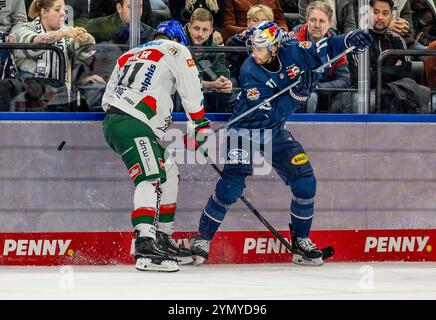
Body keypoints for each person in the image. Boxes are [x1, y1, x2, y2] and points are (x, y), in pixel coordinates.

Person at [190, 21, 372, 266]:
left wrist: (349, 40)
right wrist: (297, 96)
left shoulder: (294, 52)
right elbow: (272, 113)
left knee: (305, 182)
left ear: (275, 47)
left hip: (274, 132)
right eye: (253, 47)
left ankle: (301, 242)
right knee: (231, 186)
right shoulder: (250, 70)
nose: (255, 52)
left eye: (261, 48)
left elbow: (324, 48)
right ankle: (202, 239)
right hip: (244, 129)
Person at [101, 20, 211, 272]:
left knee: (169, 174)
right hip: (134, 123)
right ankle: (145, 243)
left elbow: (107, 98)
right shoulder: (176, 50)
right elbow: (190, 88)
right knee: (150, 177)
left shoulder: (127, 55)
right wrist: (199, 125)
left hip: (119, 120)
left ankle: (162, 237)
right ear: (179, 38)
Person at [8, 0, 95, 110]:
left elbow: (85, 54)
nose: (63, 13)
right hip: (28, 101)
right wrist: (62, 33)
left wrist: (86, 40)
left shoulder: (68, 34)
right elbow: (37, 42)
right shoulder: (23, 28)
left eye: (64, 9)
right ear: (44, 12)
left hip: (60, 101)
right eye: (58, 9)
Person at [293, 1, 352, 112]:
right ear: (306, 20)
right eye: (313, 20)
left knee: (348, 99)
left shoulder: (337, 45)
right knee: (311, 97)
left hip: (327, 93)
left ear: (329, 23)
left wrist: (319, 87)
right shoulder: (293, 41)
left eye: (322, 21)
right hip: (297, 94)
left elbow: (344, 80)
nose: (317, 25)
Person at [185, 8, 232, 112]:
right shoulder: (176, 44)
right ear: (189, 27)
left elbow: (221, 73)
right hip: (181, 97)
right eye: (196, 28)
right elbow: (181, 82)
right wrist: (212, 84)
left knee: (228, 90)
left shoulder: (216, 50)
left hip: (206, 97)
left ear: (211, 31)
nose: (200, 34)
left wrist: (225, 83)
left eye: (205, 30)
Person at [84, 0, 154, 45]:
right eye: (131, 7)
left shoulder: (150, 33)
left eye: (140, 7)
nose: (136, 11)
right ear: (119, 8)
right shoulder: (96, 26)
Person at [222, 0, 288, 41]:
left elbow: (281, 22)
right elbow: (228, 27)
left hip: (270, 39)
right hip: (243, 41)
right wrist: (251, 31)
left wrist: (280, 31)